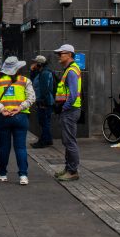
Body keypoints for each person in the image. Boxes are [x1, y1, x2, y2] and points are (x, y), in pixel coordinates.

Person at [0, 57, 36, 185]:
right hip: (20, 117)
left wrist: (2, 109)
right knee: (20, 147)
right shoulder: (25, 81)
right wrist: (20, 107)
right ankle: (23, 176)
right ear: (18, 68)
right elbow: (31, 98)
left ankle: (2, 174)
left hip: (3, 118)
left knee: (4, 147)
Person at [53, 44, 82, 182]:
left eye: (61, 53)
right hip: (70, 110)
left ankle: (72, 171)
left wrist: (64, 108)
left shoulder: (71, 71)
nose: (59, 56)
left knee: (70, 142)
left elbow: (73, 95)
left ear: (69, 54)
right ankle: (68, 168)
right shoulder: (70, 70)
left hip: (70, 111)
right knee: (67, 141)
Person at [30, 55, 55, 149]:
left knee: (44, 122)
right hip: (44, 101)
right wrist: (32, 70)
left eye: (36, 63)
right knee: (44, 122)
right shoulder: (41, 72)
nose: (34, 64)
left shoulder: (44, 73)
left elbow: (45, 89)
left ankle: (43, 141)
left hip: (44, 102)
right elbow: (33, 81)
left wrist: (43, 102)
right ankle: (48, 140)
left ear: (39, 64)